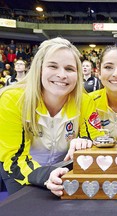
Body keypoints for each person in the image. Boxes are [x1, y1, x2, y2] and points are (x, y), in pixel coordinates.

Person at [0, 37, 101, 196]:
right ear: (39, 69)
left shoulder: (85, 101)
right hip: (19, 172)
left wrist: (86, 142)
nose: (62, 75)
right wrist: (46, 175)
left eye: (69, 69)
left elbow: (98, 141)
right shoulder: (12, 100)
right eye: (53, 66)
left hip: (64, 169)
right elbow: (13, 158)